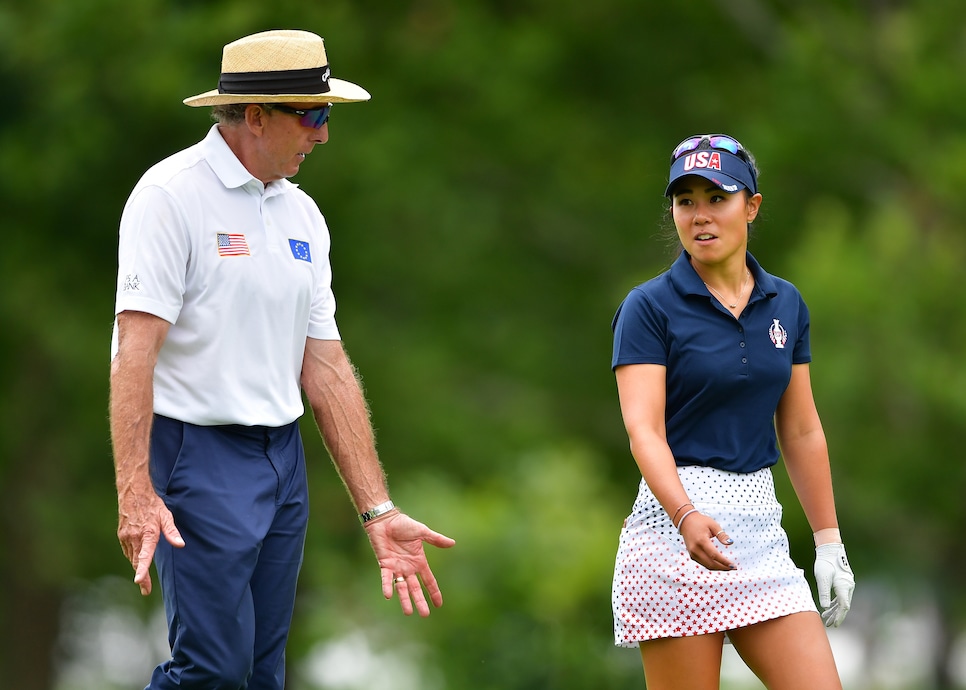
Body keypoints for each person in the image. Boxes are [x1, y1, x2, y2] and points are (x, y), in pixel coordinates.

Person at [109, 29, 456, 690]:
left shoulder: (302, 215)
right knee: (213, 670)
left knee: (262, 675)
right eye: (313, 114)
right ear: (256, 116)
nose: (323, 133)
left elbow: (325, 368)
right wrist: (136, 491)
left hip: (281, 460)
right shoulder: (172, 195)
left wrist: (378, 511)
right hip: (196, 454)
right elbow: (135, 352)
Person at [610, 134, 855, 689]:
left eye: (717, 198)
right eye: (686, 200)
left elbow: (800, 429)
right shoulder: (648, 307)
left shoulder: (785, 303)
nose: (700, 215)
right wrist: (684, 514)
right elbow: (642, 429)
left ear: (752, 205)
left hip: (761, 532)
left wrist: (828, 540)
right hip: (675, 536)